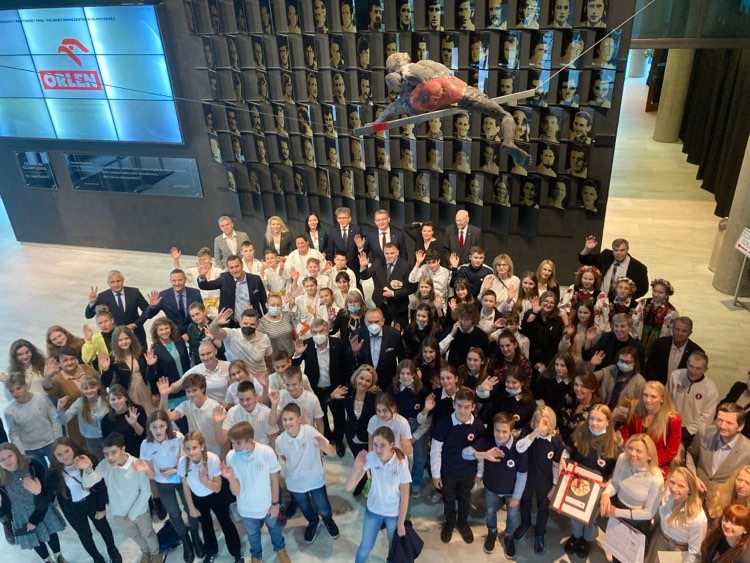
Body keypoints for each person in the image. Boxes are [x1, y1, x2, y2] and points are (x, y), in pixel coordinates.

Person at [81, 433, 162, 562]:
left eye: (113, 452)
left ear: (123, 449)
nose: (110, 457)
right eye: (106, 454)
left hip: (139, 510)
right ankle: (145, 551)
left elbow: (145, 493)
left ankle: (155, 553)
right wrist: (88, 469)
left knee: (147, 533)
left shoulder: (137, 463)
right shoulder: (104, 464)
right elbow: (87, 483)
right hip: (119, 512)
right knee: (134, 535)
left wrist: (132, 515)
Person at [221, 422, 292, 563]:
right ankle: (256, 556)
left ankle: (280, 549)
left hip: (267, 505)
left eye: (238, 443)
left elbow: (274, 480)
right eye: (232, 443)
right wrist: (230, 478)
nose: (234, 447)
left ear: (250, 441)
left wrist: (275, 504)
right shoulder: (231, 457)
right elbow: (236, 491)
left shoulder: (266, 452)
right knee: (253, 535)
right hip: (246, 508)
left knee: (275, 528)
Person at [137, 410, 199, 562]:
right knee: (174, 514)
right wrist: (146, 470)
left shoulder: (177, 437)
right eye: (154, 427)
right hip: (163, 484)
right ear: (149, 428)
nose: (158, 430)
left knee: (190, 508)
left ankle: (196, 537)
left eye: (161, 426)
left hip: (182, 479)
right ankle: (186, 541)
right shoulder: (145, 445)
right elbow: (152, 475)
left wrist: (174, 470)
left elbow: (186, 462)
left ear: (167, 426)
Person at [47, 438, 121, 563]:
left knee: (103, 527)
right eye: (59, 454)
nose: (64, 456)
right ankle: (97, 558)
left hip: (92, 501)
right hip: (72, 509)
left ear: (73, 448)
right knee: (84, 535)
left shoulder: (88, 459)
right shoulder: (53, 473)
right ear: (54, 456)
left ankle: (113, 551)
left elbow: (100, 485)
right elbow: (47, 494)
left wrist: (101, 508)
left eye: (66, 451)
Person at [561, 404, 619, 558]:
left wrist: (607, 489)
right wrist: (563, 458)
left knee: (591, 517)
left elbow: (615, 471)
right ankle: (575, 536)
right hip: (577, 481)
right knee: (575, 512)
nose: (594, 423)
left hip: (598, 487)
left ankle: (587, 540)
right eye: (592, 418)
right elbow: (568, 449)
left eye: (599, 420)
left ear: (608, 421)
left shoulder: (614, 441)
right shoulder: (581, 430)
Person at [276, 403, 339, 543]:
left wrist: (325, 448)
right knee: (304, 505)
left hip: (315, 479)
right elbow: (284, 457)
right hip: (295, 482)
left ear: (299, 418)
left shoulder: (310, 431)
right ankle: (313, 521)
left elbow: (333, 452)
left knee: (322, 505)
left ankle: (328, 520)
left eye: (291, 419)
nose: (287, 423)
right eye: (284, 419)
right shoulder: (280, 440)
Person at [466, 412, 527, 557]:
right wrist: (483, 454)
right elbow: (465, 453)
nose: (500, 435)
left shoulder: (519, 448)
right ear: (492, 428)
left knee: (513, 515)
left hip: (511, 491)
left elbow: (522, 474)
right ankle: (492, 531)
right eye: (497, 430)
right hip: (491, 487)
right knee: (490, 511)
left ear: (511, 431)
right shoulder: (487, 442)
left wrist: (517, 496)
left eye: (504, 431)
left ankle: (508, 536)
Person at [346, 426, 410, 562]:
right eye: (375, 445)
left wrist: (401, 523)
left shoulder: (401, 462)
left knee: (394, 549)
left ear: (391, 445)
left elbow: (405, 496)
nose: (378, 450)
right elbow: (349, 486)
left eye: (382, 445)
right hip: (373, 510)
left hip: (393, 513)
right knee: (365, 548)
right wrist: (357, 466)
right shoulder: (371, 457)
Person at [431, 387, 485, 544]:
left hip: (468, 472)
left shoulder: (478, 425)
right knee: (448, 499)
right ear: (453, 404)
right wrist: (436, 475)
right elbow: (435, 450)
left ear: (473, 407)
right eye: (459, 406)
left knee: (465, 498)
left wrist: (480, 473)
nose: (462, 410)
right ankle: (449, 522)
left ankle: (463, 522)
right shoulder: (443, 424)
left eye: (467, 407)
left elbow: (481, 451)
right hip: (448, 472)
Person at [178, 432, 243, 563]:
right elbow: (185, 485)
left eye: (194, 447)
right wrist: (191, 507)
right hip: (198, 498)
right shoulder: (183, 462)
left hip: (216, 496)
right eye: (188, 448)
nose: (191, 452)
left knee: (225, 522)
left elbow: (217, 487)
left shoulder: (212, 459)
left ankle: (236, 553)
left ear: (202, 446)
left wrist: (205, 481)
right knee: (206, 525)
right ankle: (211, 551)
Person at [600, 434, 664, 562]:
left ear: (649, 455)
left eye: (638, 451)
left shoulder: (656, 479)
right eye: (630, 448)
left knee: (629, 557)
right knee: (615, 549)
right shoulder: (622, 458)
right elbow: (615, 483)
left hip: (636, 520)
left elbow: (649, 513)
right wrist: (605, 494)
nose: (632, 453)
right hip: (617, 507)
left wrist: (616, 512)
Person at [0, 443, 68, 562]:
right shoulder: (1, 478)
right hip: (20, 515)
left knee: (51, 532)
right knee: (34, 538)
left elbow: (47, 488)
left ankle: (59, 556)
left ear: (16, 454)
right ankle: (47, 560)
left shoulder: (32, 465)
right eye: (2, 460)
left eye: (10, 456)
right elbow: (5, 507)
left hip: (41, 508)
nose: (7, 462)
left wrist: (43, 504)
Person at [515, 406, 564, 554]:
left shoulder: (556, 440)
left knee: (544, 507)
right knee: (525, 501)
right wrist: (535, 432)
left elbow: (556, 464)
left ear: (551, 423)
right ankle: (525, 524)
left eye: (545, 422)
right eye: (537, 422)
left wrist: (554, 486)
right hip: (527, 477)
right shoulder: (528, 433)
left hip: (545, 480)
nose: (540, 425)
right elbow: (519, 448)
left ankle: (540, 533)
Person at [645, 467, 707, 563]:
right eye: (672, 482)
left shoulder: (698, 518)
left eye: (681, 486)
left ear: (690, 490)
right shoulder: (666, 494)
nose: (674, 488)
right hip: (658, 540)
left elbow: (694, 552)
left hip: (677, 552)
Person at [687, 402, 750, 497]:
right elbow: (691, 454)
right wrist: (693, 476)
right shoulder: (704, 432)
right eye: (720, 420)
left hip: (723, 499)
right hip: (696, 493)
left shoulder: (747, 450)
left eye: (729, 423)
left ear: (740, 426)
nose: (722, 426)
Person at [621, 382, 682, 477]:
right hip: (632, 457)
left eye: (653, 397)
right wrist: (629, 451)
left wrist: (647, 461)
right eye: (645, 395)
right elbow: (626, 432)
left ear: (662, 399)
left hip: (656, 465)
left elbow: (671, 450)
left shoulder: (673, 420)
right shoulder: (636, 409)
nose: (648, 400)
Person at [5, 372, 61, 468]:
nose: (15, 393)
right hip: (30, 449)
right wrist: (21, 452)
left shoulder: (41, 398)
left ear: (26, 386)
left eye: (18, 388)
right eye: (11, 391)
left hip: (51, 442)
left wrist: (58, 440)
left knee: (58, 469)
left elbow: (55, 418)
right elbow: (13, 434)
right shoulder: (9, 411)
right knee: (40, 473)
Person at [84, 270, 150, 347]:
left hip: (136, 334)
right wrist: (92, 303)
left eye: (118, 281)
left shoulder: (134, 292)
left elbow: (147, 311)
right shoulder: (102, 297)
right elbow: (89, 315)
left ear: (123, 280)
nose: (116, 284)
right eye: (112, 282)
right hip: (114, 338)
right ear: (108, 283)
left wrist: (135, 324)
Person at [358, 243, 414, 329]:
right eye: (387, 253)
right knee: (383, 331)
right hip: (382, 305)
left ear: (397, 252)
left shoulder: (406, 266)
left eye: (392, 253)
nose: (389, 256)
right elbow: (365, 276)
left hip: (399, 306)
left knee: (402, 331)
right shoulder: (378, 262)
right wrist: (363, 267)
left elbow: (411, 288)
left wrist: (393, 293)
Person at [198, 256, 268, 325]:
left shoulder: (255, 280)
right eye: (231, 268)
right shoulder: (224, 278)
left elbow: (264, 302)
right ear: (228, 269)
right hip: (230, 323)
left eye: (237, 266)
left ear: (242, 265)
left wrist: (267, 321)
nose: (235, 270)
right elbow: (205, 286)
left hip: (251, 322)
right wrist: (202, 276)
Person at [668, 351, 718, 449]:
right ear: (686, 363)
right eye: (691, 366)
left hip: (691, 433)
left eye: (698, 368)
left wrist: (687, 430)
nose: (693, 371)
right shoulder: (675, 375)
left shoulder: (711, 389)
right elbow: (667, 399)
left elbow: (707, 417)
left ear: (705, 369)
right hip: (670, 424)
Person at [103, 325, 154, 416]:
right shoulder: (113, 358)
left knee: (150, 414)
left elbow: (150, 375)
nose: (124, 342)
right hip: (128, 392)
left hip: (146, 388)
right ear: (115, 342)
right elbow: (105, 383)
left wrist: (151, 365)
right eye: (120, 340)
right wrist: (106, 370)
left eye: (127, 338)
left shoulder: (141, 352)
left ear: (132, 338)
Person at [579, 235, 649, 300]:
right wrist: (587, 248)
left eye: (622, 250)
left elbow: (643, 289)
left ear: (627, 250)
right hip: (600, 300)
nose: (618, 253)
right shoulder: (606, 256)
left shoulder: (639, 268)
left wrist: (626, 298)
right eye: (616, 250)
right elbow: (585, 259)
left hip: (619, 304)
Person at [57, 375, 108, 460]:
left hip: (107, 437)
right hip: (91, 440)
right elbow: (63, 420)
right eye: (86, 388)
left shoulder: (106, 400)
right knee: (99, 461)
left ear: (98, 386)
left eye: (92, 387)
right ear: (82, 389)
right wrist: (60, 409)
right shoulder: (79, 403)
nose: (89, 391)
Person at [593, 346, 646, 423]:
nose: (623, 364)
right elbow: (589, 378)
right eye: (621, 360)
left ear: (635, 363)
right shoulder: (611, 369)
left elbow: (641, 408)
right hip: (601, 414)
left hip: (621, 422)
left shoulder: (640, 382)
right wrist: (592, 364)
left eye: (627, 362)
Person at [645, 316, 703, 384]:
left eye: (684, 331)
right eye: (677, 329)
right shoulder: (659, 343)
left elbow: (696, 376)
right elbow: (650, 367)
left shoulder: (696, 352)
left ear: (690, 333)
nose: (679, 333)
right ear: (672, 329)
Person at [146, 269, 203, 336]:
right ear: (170, 281)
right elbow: (149, 316)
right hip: (173, 334)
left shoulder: (195, 293)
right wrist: (152, 307)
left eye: (180, 280)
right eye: (174, 281)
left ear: (185, 280)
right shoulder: (163, 295)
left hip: (193, 333)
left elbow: (201, 314)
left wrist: (189, 333)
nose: (177, 283)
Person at [100, 385, 148, 466]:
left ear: (126, 398)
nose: (116, 402)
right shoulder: (105, 420)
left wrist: (134, 424)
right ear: (109, 401)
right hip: (122, 458)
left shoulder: (137, 409)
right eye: (113, 399)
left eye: (119, 398)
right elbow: (107, 444)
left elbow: (145, 434)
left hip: (141, 452)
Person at [170, 247, 223, 318]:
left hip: (217, 306)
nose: (203, 262)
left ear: (210, 259)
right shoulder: (194, 271)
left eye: (205, 259)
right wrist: (176, 260)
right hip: (199, 306)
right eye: (200, 259)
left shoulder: (219, 271)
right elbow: (180, 272)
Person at [522, 291, 564, 374]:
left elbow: (555, 345)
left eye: (552, 303)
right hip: (528, 356)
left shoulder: (557, 321)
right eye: (546, 301)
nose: (548, 304)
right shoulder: (530, 314)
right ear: (541, 301)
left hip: (545, 360)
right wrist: (534, 312)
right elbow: (524, 331)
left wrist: (543, 362)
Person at [559, 264, 609, 331]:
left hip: (590, 328)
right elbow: (562, 308)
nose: (587, 281)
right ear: (580, 278)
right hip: (572, 325)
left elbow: (602, 316)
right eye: (585, 278)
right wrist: (567, 325)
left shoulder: (600, 295)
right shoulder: (573, 289)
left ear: (595, 280)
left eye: (590, 279)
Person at [559, 370, 602, 444]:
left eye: (583, 386)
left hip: (576, 448)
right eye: (576, 384)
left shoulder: (597, 411)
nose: (578, 389)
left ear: (593, 389)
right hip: (557, 441)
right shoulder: (569, 397)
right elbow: (558, 417)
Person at [326, 207, 364, 274]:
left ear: (349, 218)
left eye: (345, 218)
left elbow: (360, 248)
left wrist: (360, 248)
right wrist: (331, 264)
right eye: (340, 218)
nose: (342, 220)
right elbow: (330, 251)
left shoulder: (357, 230)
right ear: (337, 219)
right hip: (338, 266)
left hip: (354, 265)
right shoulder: (332, 231)